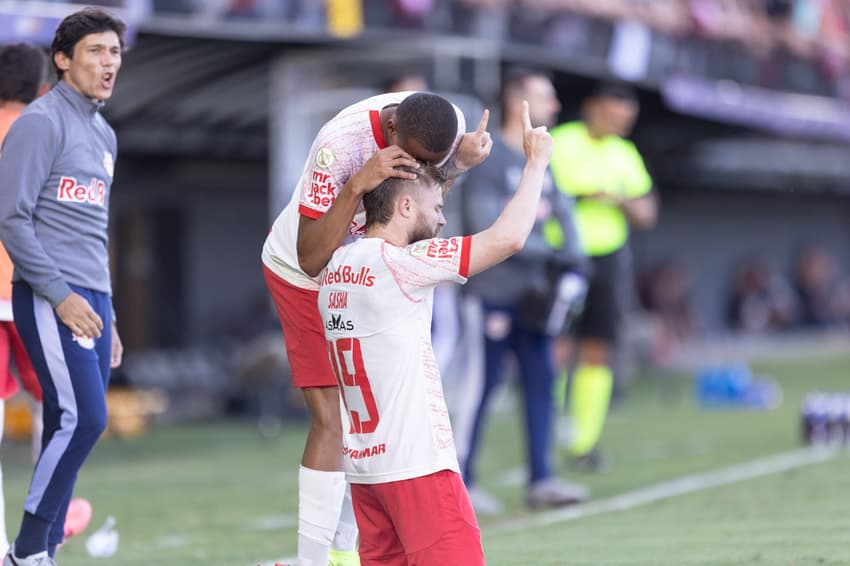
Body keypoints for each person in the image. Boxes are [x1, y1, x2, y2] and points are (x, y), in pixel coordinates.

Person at [317, 100, 551, 565]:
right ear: (404, 205)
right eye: (437, 207)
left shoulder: (336, 265)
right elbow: (508, 238)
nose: (442, 219)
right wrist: (536, 163)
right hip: (418, 466)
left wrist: (450, 169)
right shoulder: (404, 266)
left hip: (367, 474)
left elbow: (410, 197)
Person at [262, 91, 491, 566]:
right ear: (389, 132)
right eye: (417, 160)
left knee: (373, 420)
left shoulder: (443, 130)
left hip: (371, 260)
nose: (426, 168)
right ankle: (310, 561)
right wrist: (356, 186)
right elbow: (310, 256)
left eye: (435, 162)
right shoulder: (340, 143)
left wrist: (456, 168)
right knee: (332, 416)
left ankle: (345, 553)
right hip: (303, 270)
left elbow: (421, 204)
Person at [0, 8, 126, 565]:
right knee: (87, 418)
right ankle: (27, 551)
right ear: (62, 59)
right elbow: (12, 218)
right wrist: (60, 294)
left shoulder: (104, 133)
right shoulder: (39, 121)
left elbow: (93, 231)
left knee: (65, 419)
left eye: (115, 52)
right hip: (51, 295)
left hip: (94, 298)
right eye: (96, 51)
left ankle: (43, 547)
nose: (108, 63)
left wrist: (111, 313)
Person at [453, 67, 588, 514]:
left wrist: (575, 260)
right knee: (481, 386)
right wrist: (553, 252)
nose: (554, 106)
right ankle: (461, 482)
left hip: (534, 298)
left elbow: (565, 217)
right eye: (544, 98)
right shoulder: (490, 160)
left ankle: (542, 478)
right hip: (491, 293)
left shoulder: (542, 158)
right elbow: (490, 228)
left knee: (542, 383)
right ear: (518, 103)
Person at [549, 81, 658, 472]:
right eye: (615, 114)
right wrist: (581, 196)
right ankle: (548, 435)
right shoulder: (560, 142)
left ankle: (584, 442)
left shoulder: (625, 153)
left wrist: (620, 200)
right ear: (594, 107)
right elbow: (537, 195)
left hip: (608, 260)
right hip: (561, 257)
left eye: (626, 118)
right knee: (557, 346)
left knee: (598, 348)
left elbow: (647, 214)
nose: (620, 123)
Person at [0, 42, 51, 558]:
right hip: (36, 286)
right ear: (41, 88)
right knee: (56, 409)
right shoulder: (42, 131)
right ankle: (45, 528)